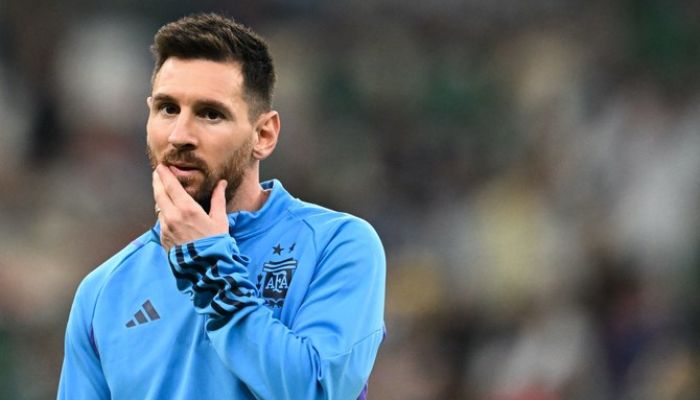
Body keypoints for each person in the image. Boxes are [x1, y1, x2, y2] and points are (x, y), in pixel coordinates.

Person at [57, 13, 386, 399]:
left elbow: (316, 391)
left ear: (263, 135)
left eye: (210, 114)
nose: (180, 135)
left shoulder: (338, 245)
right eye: (167, 109)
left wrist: (211, 269)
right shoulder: (103, 292)